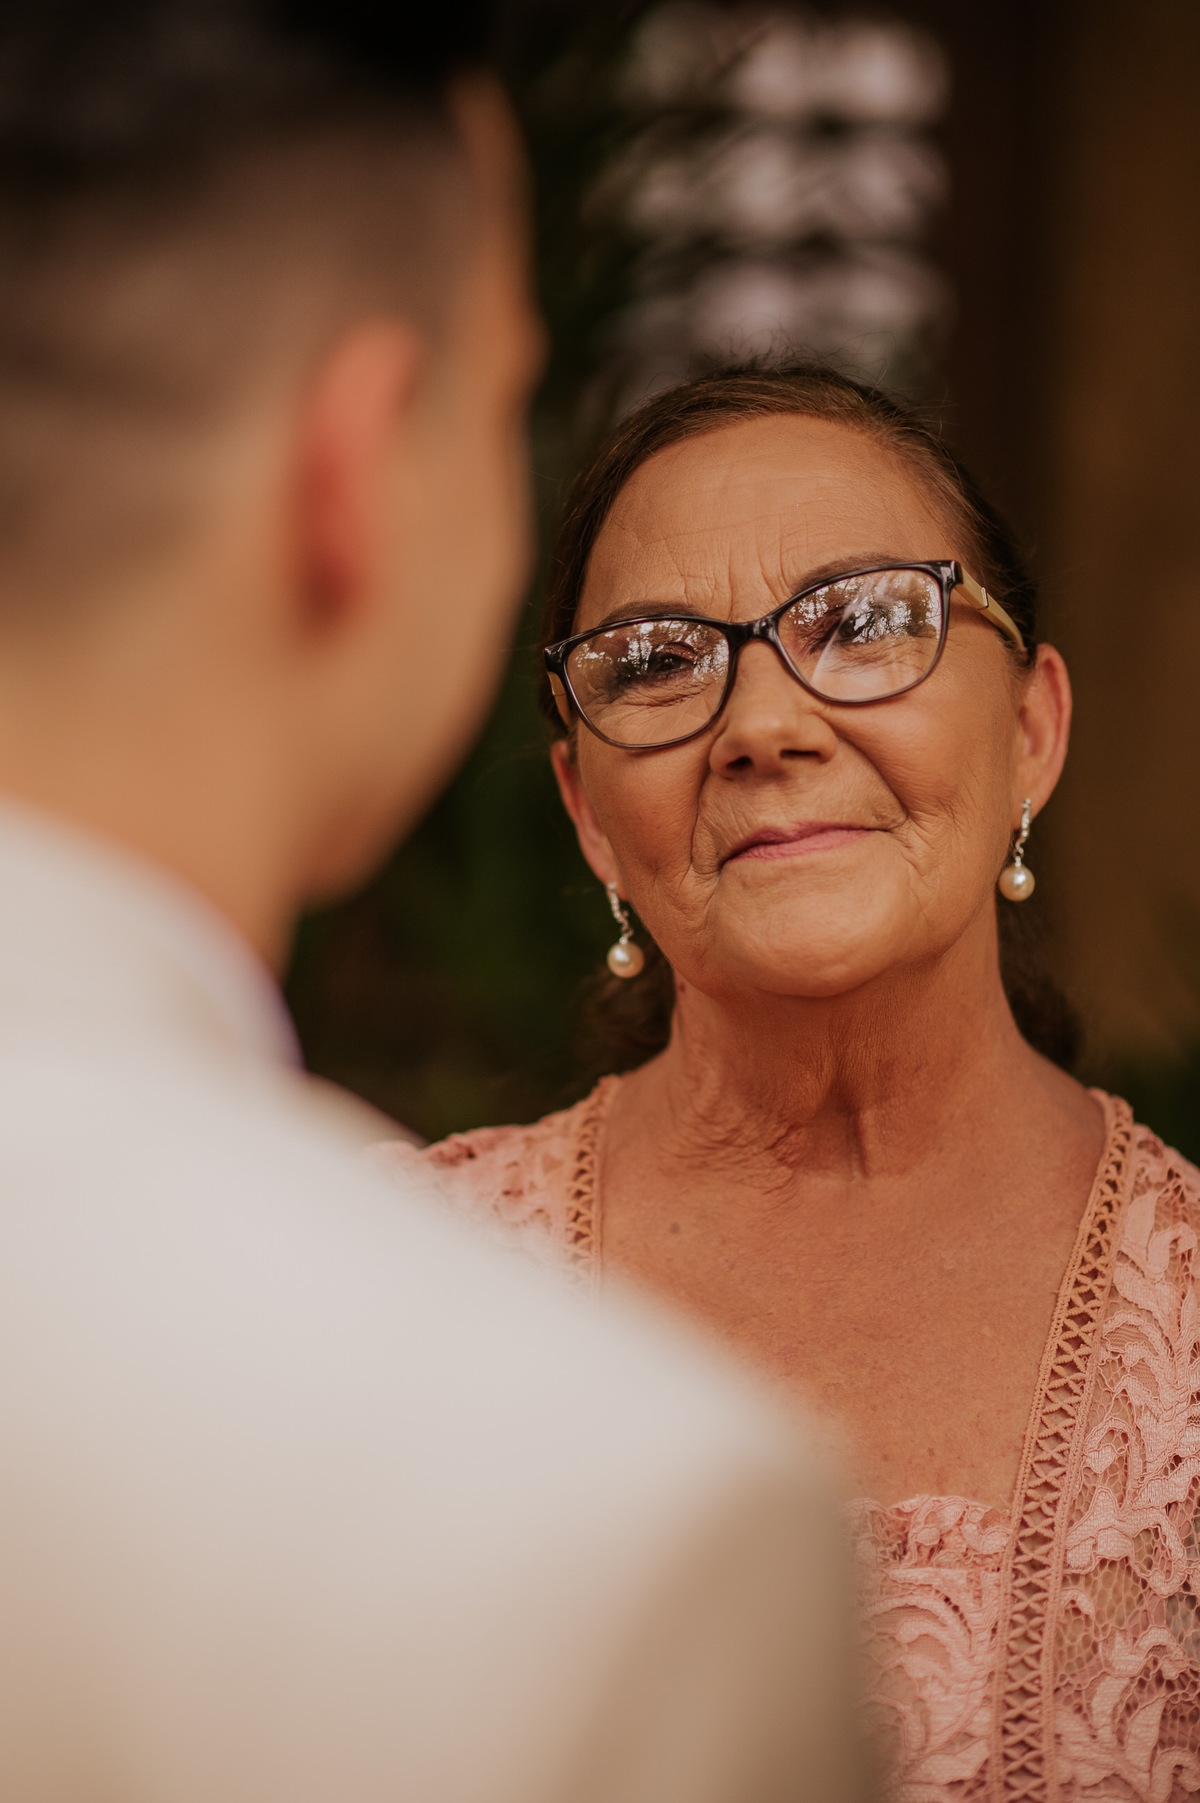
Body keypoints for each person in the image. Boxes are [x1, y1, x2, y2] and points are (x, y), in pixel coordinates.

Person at [0, 12, 868, 1802]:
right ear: (360, 466)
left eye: (859, 626)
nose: (768, 726)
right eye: (503, 403)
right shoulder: (605, 1523)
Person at [388, 365, 1200, 1800]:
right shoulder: (394, 1287)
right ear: (587, 812)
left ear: (1031, 733)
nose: (763, 723)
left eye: (869, 622)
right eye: (655, 661)